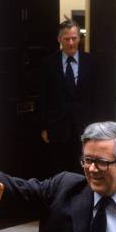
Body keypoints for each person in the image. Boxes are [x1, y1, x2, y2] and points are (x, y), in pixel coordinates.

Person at [40, 19, 98, 175]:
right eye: (67, 39)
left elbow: (99, 97)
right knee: (59, 172)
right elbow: (43, 97)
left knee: (84, 171)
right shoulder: (48, 64)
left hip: (86, 129)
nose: (71, 42)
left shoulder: (92, 63)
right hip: (57, 128)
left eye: (74, 38)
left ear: (79, 38)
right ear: (59, 39)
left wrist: (99, 127)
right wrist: (44, 127)